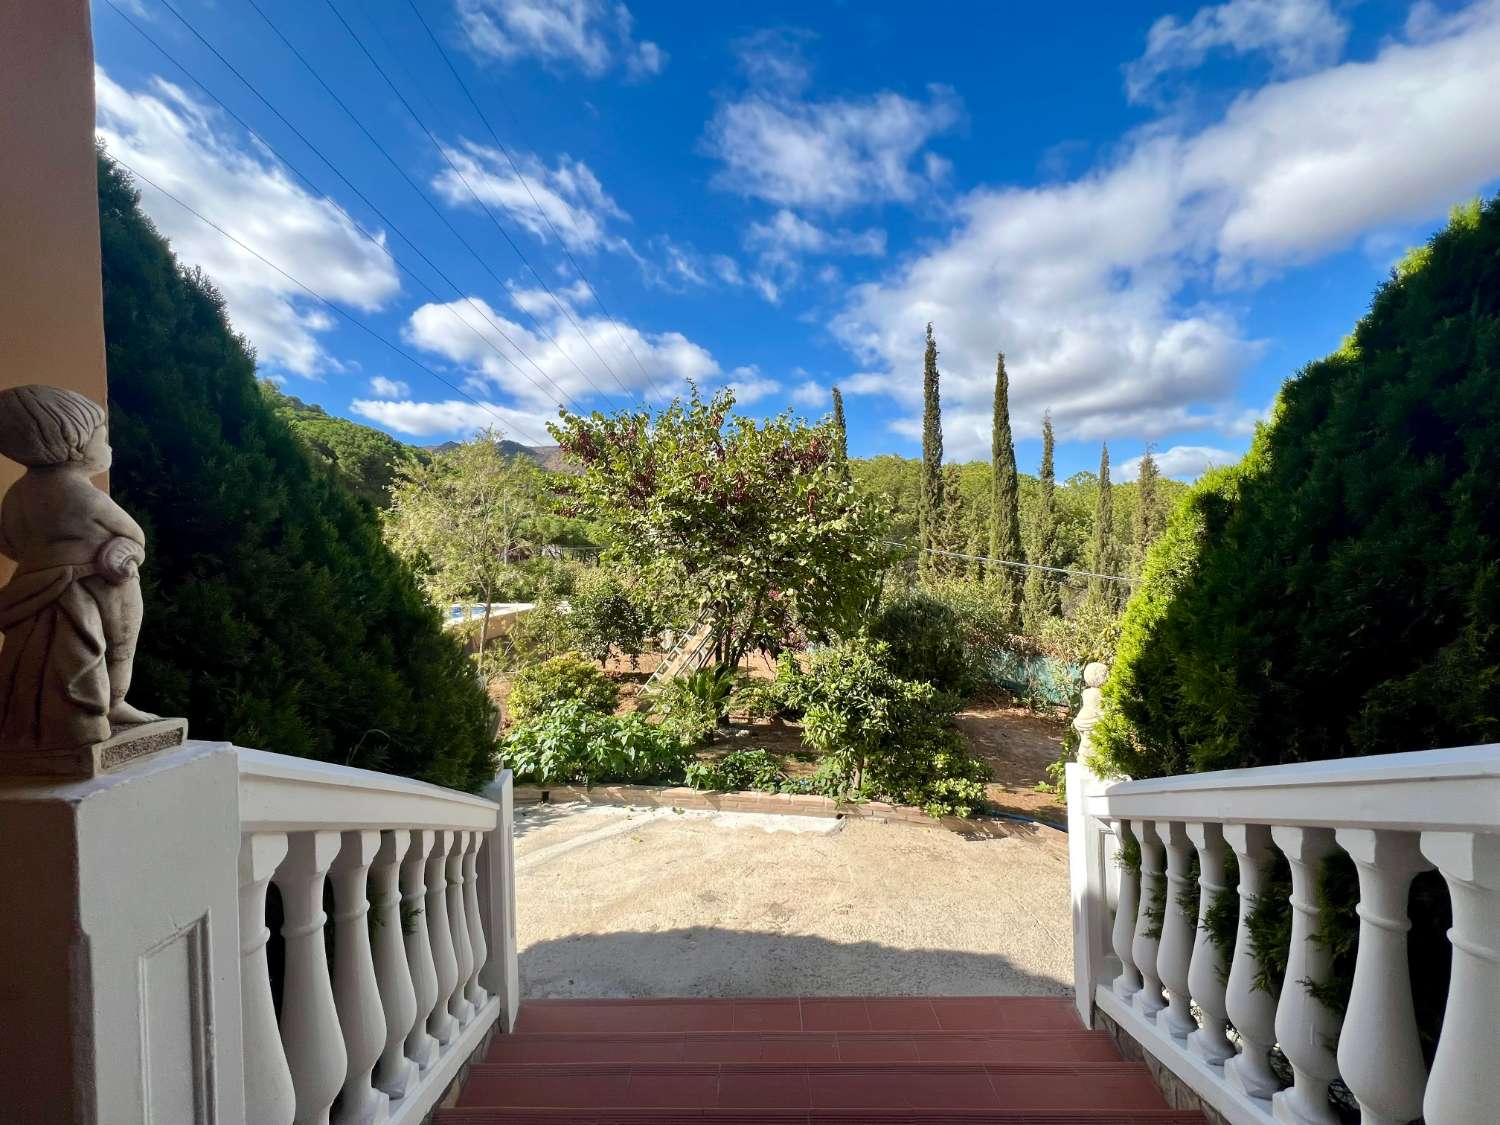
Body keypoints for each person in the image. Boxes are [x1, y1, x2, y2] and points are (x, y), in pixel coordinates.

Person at [0, 385, 156, 750]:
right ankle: (113, 704)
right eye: (103, 438)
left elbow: (8, 541)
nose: (110, 447)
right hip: (98, 583)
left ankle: (36, 723)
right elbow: (133, 535)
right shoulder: (82, 493)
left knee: (36, 655)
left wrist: (45, 558)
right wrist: (111, 554)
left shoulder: (17, 495)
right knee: (116, 647)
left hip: (35, 585)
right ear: (75, 445)